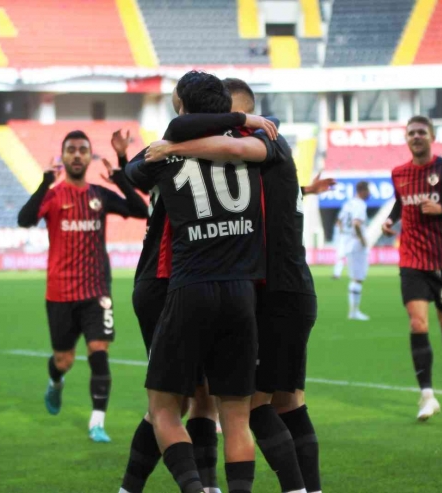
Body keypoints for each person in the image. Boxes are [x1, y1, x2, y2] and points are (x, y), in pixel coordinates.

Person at [143, 77, 331, 493]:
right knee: (275, 401)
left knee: (253, 406)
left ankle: (301, 490)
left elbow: (224, 145)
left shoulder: (260, 140)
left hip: (273, 291)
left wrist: (172, 148)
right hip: (264, 290)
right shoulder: (256, 153)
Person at [119, 74, 277, 493]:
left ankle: (193, 488)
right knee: (237, 417)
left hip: (189, 288)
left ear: (182, 107)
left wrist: (168, 145)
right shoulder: (255, 148)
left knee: (164, 408)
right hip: (242, 292)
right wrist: (245, 118)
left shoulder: (167, 154)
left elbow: (134, 175)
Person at [17, 130, 147, 442]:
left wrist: (121, 177)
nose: (77, 155)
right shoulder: (51, 195)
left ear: (89, 157)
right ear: (63, 157)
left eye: (83, 150)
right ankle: (56, 382)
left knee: (98, 351)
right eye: (71, 150)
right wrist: (45, 182)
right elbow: (24, 219)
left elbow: (142, 211)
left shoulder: (99, 195)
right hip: (60, 294)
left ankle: (97, 422)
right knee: (63, 360)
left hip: (96, 292)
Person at [382, 115, 442, 421]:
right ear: (406, 138)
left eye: (422, 132)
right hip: (411, 262)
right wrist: (390, 220)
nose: (416, 136)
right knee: (418, 324)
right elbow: (401, 202)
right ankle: (426, 396)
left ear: (431, 136)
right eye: (412, 133)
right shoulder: (399, 173)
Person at [341, 181, 371, 321]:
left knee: (355, 277)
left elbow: (341, 222)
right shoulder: (360, 205)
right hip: (356, 243)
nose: (369, 193)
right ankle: (354, 312)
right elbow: (356, 223)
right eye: (368, 190)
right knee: (357, 278)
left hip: (348, 241)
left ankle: (353, 311)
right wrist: (362, 239)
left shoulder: (349, 204)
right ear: (363, 190)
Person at [332, 213, 347, 279]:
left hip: (342, 244)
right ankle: (337, 274)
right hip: (339, 244)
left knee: (340, 258)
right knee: (339, 259)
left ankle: (337, 274)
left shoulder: (341, 228)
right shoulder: (337, 227)